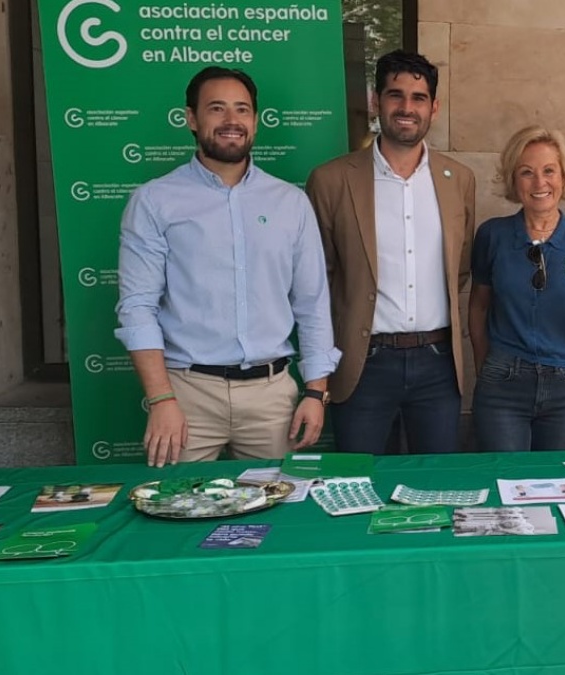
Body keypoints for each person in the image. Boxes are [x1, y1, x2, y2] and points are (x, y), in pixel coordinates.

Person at [116, 67, 339, 468]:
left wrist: (316, 391)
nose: (231, 121)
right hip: (186, 395)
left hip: (272, 398)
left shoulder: (290, 202)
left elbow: (312, 304)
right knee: (175, 513)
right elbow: (137, 308)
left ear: (255, 120)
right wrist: (161, 399)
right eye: (216, 108)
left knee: (276, 518)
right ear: (191, 118)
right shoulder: (154, 201)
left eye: (242, 110)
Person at [306, 50, 476, 455]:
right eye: (395, 95)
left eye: (418, 98)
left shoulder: (460, 180)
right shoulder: (331, 180)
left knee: (435, 490)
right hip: (364, 363)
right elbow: (318, 279)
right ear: (375, 101)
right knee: (357, 489)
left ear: (434, 108)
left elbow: (461, 268)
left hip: (438, 365)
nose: (406, 108)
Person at [468, 126, 565, 451]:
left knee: (557, 486)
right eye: (526, 172)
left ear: (564, 176)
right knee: (504, 483)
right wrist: (485, 367)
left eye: (549, 171)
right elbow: (478, 307)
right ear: (514, 181)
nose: (540, 183)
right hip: (503, 383)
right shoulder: (493, 236)